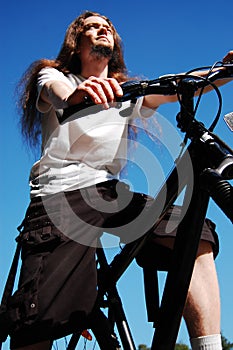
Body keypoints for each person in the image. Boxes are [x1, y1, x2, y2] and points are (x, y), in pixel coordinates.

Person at [5, 10, 233, 350]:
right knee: (38, 322)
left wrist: (223, 71)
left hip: (109, 192)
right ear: (76, 42)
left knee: (193, 232)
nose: (102, 30)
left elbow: (177, 87)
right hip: (60, 193)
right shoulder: (55, 76)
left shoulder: (127, 91)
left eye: (107, 27)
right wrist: (75, 98)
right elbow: (54, 92)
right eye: (92, 27)